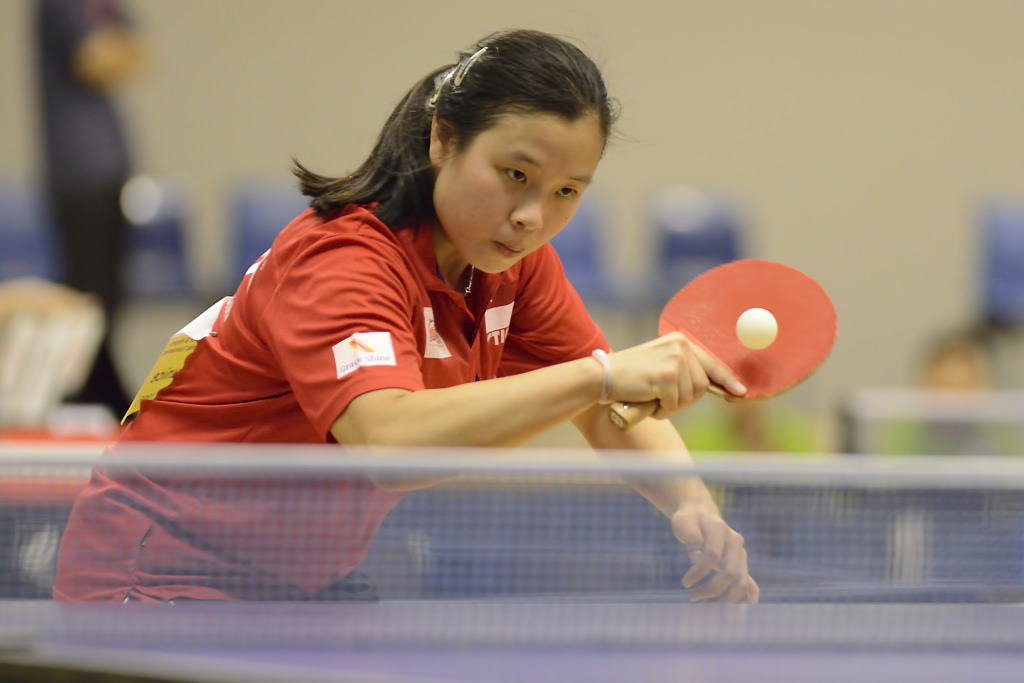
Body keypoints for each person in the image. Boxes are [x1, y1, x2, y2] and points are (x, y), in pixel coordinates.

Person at [53, 29, 759, 603]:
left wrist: (691, 505)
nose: (532, 216)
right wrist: (598, 375)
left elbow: (611, 410)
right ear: (442, 140)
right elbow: (390, 441)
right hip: (158, 571)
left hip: (292, 582)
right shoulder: (343, 259)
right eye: (516, 175)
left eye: (567, 190)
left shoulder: (512, 265)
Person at [33, 0, 147, 419]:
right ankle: (99, 401)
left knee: (110, 300)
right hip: (78, 172)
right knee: (90, 302)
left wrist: (118, 51)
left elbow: (139, 55)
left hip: (109, 169)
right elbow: (97, 62)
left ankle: (108, 402)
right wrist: (117, 51)